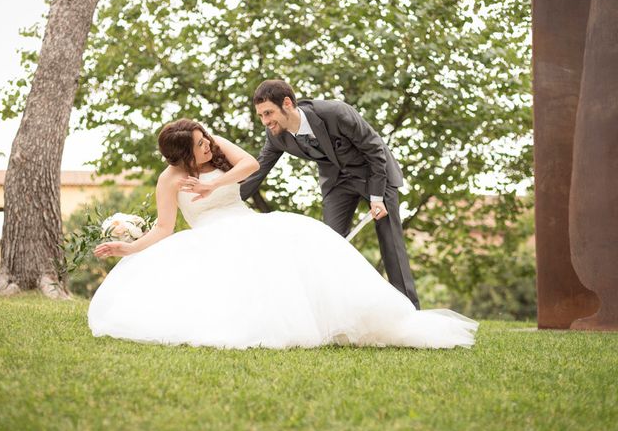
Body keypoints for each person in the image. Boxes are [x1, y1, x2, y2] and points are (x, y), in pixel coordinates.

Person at [88, 119, 477, 349]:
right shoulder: (169, 179)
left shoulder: (216, 146)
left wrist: (211, 184)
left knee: (306, 241)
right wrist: (128, 247)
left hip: (244, 221)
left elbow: (251, 164)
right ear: (179, 154)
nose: (207, 144)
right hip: (209, 235)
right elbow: (163, 227)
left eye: (205, 139)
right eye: (199, 145)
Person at [240, 80, 420, 309]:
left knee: (390, 241)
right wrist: (228, 201)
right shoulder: (276, 135)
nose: (265, 121)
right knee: (331, 244)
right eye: (261, 116)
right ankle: (342, 311)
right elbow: (258, 171)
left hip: (374, 174)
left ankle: (410, 311)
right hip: (337, 183)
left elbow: (374, 149)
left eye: (268, 113)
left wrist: (376, 197)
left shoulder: (334, 112)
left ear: (287, 103)